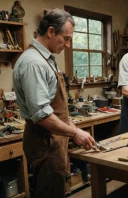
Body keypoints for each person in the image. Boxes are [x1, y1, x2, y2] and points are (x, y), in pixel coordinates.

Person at [13, 8, 95, 198]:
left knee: (56, 188)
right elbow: (41, 114)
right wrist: (75, 133)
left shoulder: (47, 59)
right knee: (48, 192)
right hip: (44, 139)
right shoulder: (34, 63)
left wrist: (72, 126)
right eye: (65, 39)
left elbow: (56, 107)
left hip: (55, 136)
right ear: (50, 32)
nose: (67, 44)